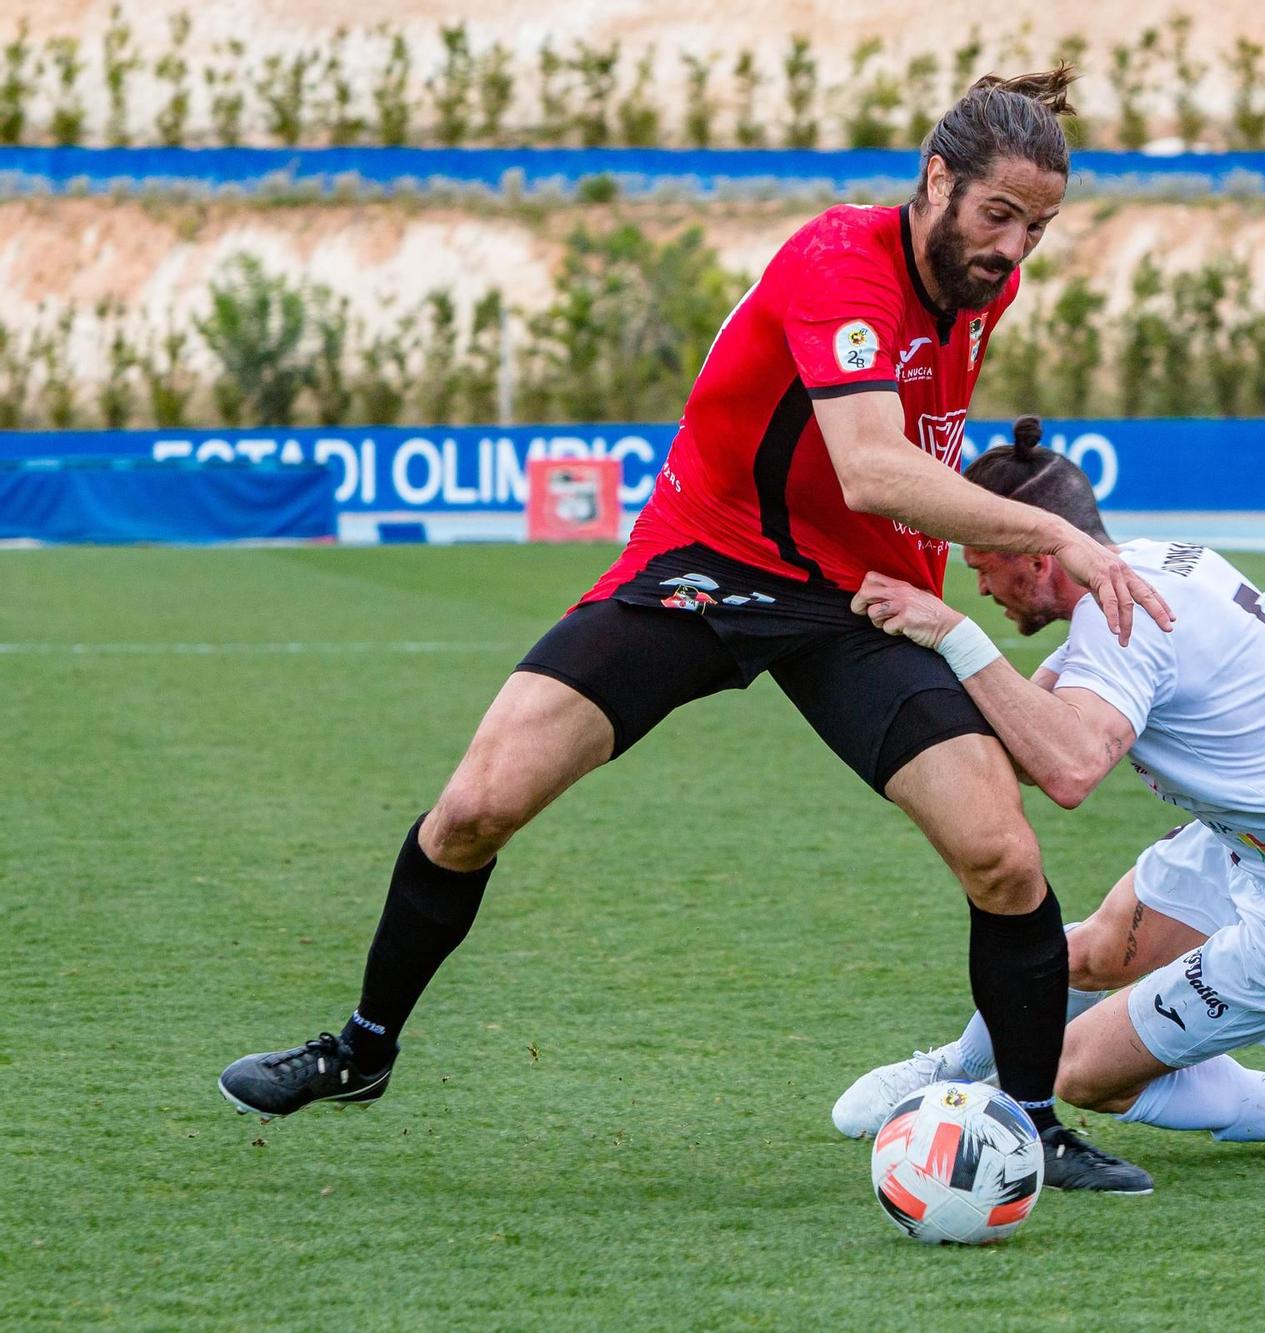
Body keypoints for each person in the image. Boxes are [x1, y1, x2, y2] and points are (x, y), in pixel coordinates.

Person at [217, 70, 1172, 1194]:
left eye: (1038, 229)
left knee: (1001, 856)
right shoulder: (838, 262)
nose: (1013, 248)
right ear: (934, 180)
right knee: (473, 808)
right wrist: (1055, 537)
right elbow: (869, 466)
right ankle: (363, 1048)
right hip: (708, 562)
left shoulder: (976, 281)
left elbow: (885, 469)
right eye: (998, 216)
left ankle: (1030, 1123)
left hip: (855, 595)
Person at [833, 424, 1265, 1161]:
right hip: (1262, 840)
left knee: (1080, 1071)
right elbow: (1030, 730)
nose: (978, 587)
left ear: (1039, 556)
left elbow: (1067, 771)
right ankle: (955, 1069)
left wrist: (953, 634)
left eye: (983, 565)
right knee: (1087, 953)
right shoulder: (1141, 567)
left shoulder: (1126, 617)